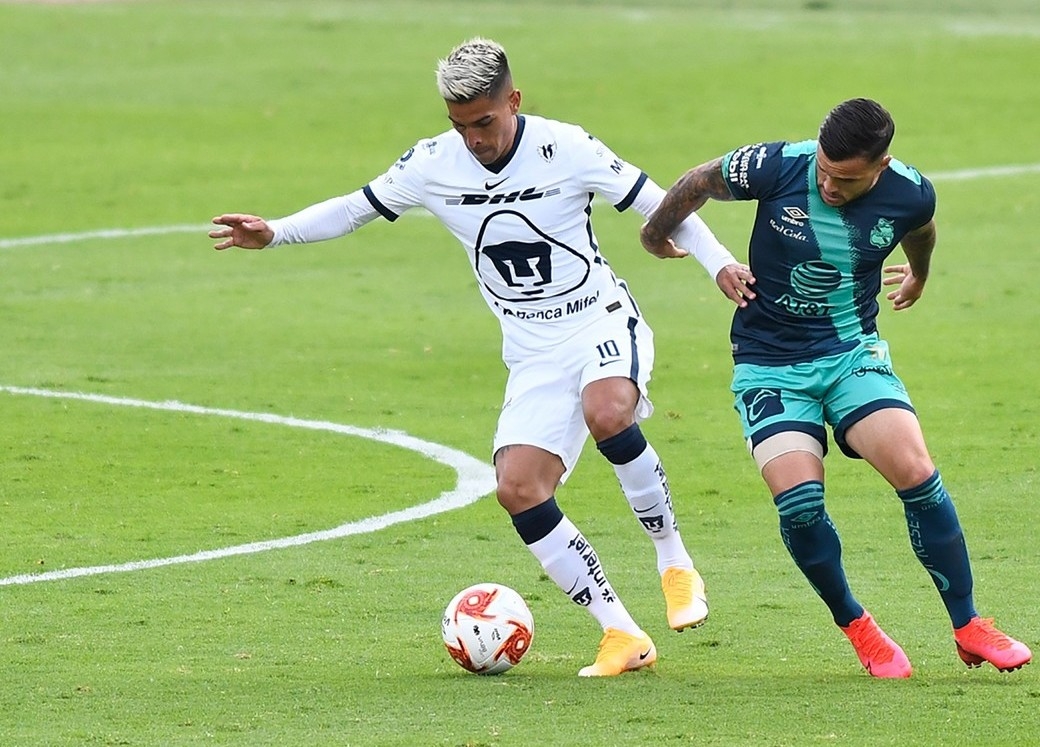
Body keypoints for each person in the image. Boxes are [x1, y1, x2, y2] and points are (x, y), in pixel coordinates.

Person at [210, 38, 750, 677]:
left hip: (599, 321)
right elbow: (355, 208)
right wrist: (275, 232)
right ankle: (621, 633)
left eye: (484, 122)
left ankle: (674, 561)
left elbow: (664, 204)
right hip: (531, 353)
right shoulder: (432, 163)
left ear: (513, 101)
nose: (473, 139)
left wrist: (719, 264)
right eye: (460, 125)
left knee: (608, 412)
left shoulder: (567, 147)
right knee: (517, 488)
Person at [639, 98, 1031, 678]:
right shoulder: (777, 165)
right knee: (800, 504)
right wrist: (655, 235)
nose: (828, 186)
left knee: (916, 472)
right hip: (769, 363)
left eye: (845, 179)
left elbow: (921, 228)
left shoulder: (909, 191)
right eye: (824, 171)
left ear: (880, 166)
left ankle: (969, 625)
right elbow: (698, 180)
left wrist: (919, 273)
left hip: (850, 354)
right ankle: (858, 626)